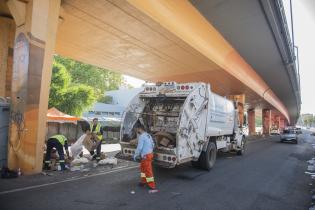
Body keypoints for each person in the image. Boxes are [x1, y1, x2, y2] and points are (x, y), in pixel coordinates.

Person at [133, 124, 158, 193]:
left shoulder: (142, 136)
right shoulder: (148, 135)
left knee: (148, 170)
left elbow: (139, 148)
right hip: (149, 154)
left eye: (136, 129)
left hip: (146, 156)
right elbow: (153, 144)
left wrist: (135, 155)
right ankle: (143, 181)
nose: (136, 130)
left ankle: (151, 185)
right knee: (143, 169)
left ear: (139, 128)